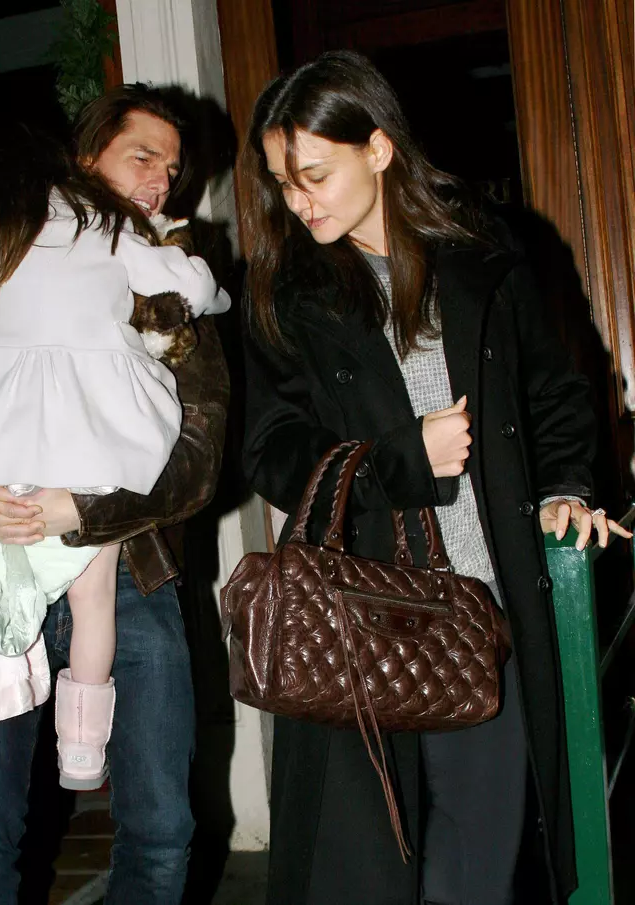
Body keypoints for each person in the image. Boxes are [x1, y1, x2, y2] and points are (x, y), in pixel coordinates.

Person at [238, 50, 630, 905]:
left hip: (484, 609)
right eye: (281, 180)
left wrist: (568, 484)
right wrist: (399, 459)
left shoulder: (484, 250)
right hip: (361, 614)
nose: (296, 201)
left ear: (378, 149)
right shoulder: (282, 291)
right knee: (366, 867)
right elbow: (268, 449)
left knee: (480, 850)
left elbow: (558, 387)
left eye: (313, 174)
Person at [0, 83, 230, 905]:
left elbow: (199, 453)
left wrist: (84, 509)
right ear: (83, 156)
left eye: (172, 170)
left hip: (129, 574)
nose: (159, 181)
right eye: (143, 156)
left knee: (162, 829)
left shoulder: (166, 275)